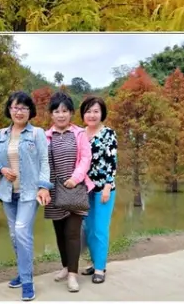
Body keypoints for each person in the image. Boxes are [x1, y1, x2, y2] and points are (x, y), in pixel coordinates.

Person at [0, 92, 53, 302]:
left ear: (30, 111)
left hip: (29, 192)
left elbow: (45, 162)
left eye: (23, 108)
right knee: (13, 235)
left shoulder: (37, 133)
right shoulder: (0, 134)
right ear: (9, 109)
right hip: (8, 193)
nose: (19, 111)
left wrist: (44, 187)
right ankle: (22, 270)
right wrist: (0, 169)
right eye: (15, 107)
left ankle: (27, 282)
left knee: (21, 231)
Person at [44, 92, 94, 293]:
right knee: (59, 233)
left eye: (65, 111)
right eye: (56, 111)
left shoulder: (79, 134)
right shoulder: (46, 136)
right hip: (54, 190)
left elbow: (86, 158)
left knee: (73, 233)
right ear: (51, 114)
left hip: (75, 187)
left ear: (71, 113)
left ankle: (73, 275)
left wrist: (75, 178)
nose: (61, 115)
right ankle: (65, 266)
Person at [80, 95, 118, 284]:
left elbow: (112, 162)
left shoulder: (109, 133)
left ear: (102, 113)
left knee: (100, 229)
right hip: (85, 188)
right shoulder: (79, 133)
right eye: (88, 111)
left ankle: (101, 268)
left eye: (96, 111)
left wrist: (107, 186)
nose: (92, 115)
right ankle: (95, 263)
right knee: (88, 228)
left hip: (104, 189)